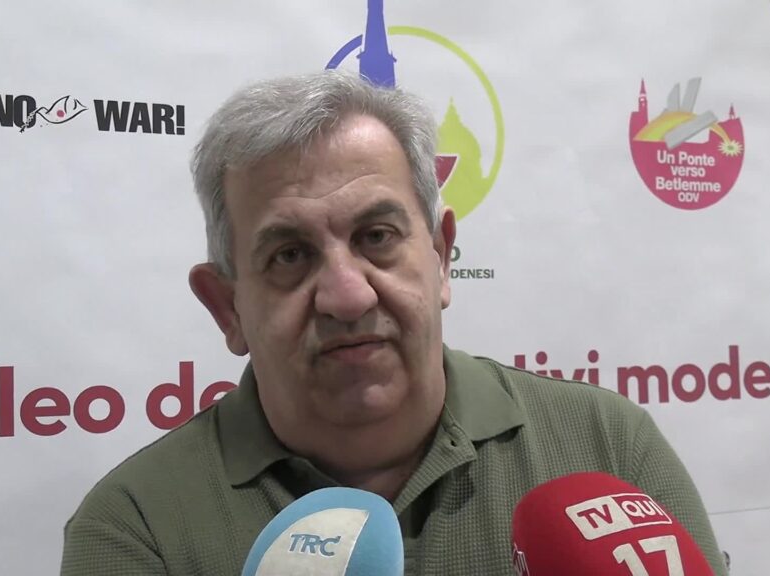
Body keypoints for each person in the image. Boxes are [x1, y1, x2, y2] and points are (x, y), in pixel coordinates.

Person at [60, 70, 727, 575]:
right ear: (226, 307)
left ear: (440, 257)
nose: (347, 296)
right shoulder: (136, 526)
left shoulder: (607, 445)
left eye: (376, 237)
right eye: (290, 255)